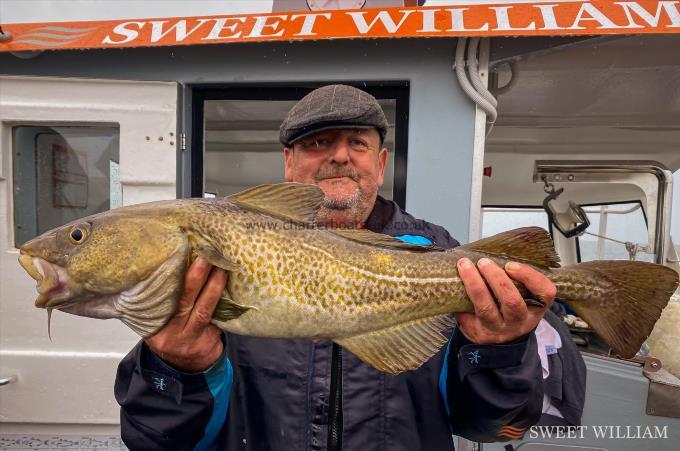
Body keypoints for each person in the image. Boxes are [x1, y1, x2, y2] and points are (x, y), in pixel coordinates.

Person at [115, 84, 557, 450]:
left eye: (357, 143)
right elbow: (156, 442)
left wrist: (499, 351)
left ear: (380, 165)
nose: (340, 156)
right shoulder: (223, 255)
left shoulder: (442, 255)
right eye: (317, 142)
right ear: (289, 163)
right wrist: (173, 368)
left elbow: (493, 429)